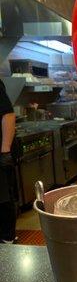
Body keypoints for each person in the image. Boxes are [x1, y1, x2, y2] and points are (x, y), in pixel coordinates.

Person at [0, 79, 17, 243]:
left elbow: (9, 115)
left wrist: (5, 150)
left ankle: (8, 240)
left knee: (3, 199)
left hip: (0, 155)